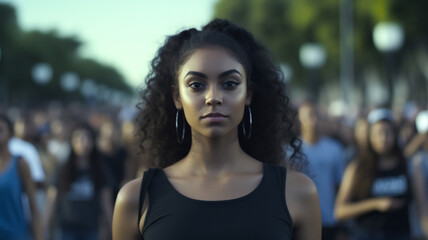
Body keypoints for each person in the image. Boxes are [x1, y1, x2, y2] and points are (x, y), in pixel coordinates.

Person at [112, 18, 321, 240]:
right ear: (177, 97)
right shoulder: (136, 199)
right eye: (196, 85)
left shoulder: (297, 192)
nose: (213, 97)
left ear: (248, 94)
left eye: (230, 84)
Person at [335, 108, 411, 240]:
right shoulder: (357, 167)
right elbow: (339, 211)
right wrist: (375, 204)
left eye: (388, 133)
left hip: (400, 234)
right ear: (369, 136)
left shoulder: (407, 165)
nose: (383, 138)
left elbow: (423, 209)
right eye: (378, 133)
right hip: (366, 233)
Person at [44, 122, 113, 240]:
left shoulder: (100, 170)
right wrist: (43, 228)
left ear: (93, 142)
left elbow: (106, 203)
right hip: (67, 229)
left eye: (87, 138)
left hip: (92, 229)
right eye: (79, 137)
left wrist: (111, 227)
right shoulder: (63, 169)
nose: (83, 142)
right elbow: (52, 201)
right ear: (71, 141)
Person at [297, 101, 345, 240]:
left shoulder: (335, 149)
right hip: (302, 221)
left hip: (330, 220)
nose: (314, 120)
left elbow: (340, 186)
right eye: (309, 115)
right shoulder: (290, 151)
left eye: (317, 115)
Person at [0, 115, 43, 240]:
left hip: (15, 234)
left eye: (0, 130)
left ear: (10, 134)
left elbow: (33, 207)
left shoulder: (20, 163)